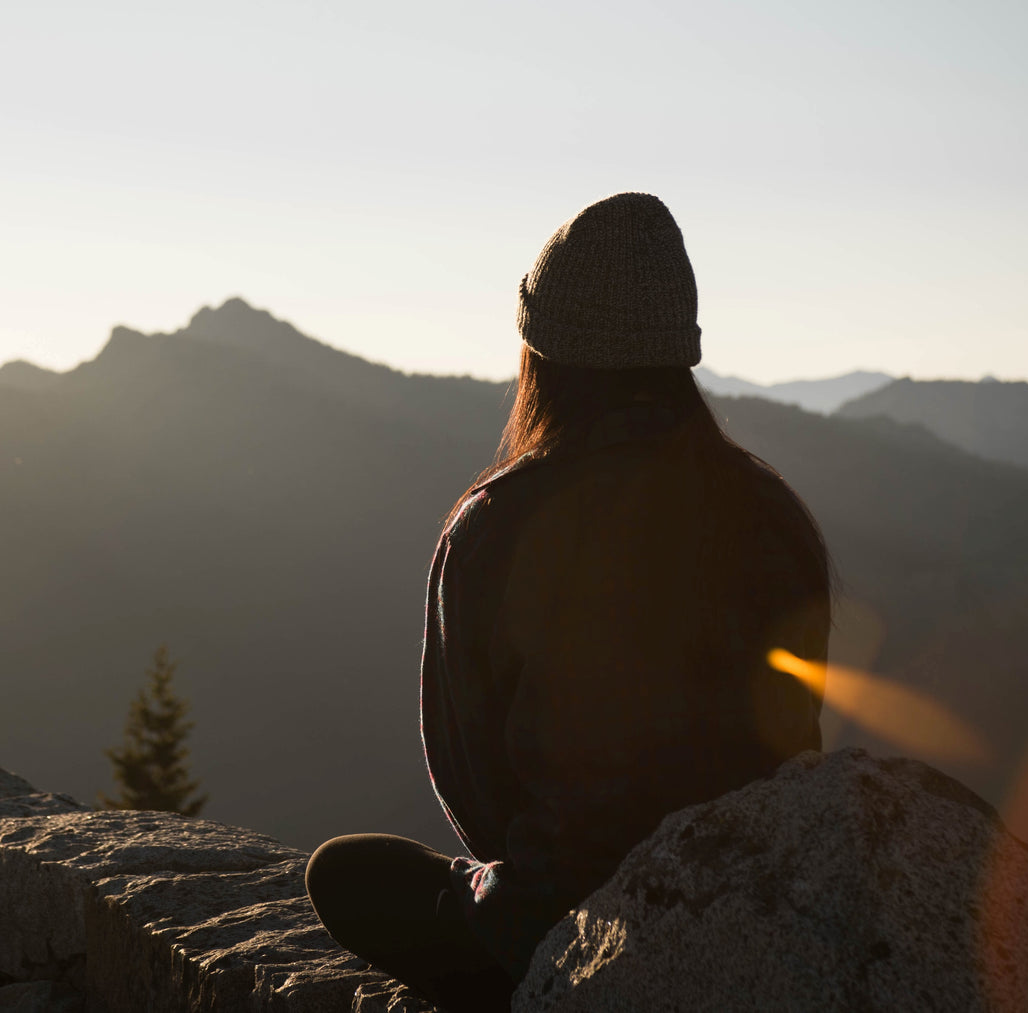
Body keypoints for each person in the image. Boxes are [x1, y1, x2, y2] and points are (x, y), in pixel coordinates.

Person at [304, 193, 831, 1011]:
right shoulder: (773, 517)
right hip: (748, 908)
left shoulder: (495, 524)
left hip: (566, 927)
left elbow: (470, 776)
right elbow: (796, 738)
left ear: (542, 352)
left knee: (346, 871)